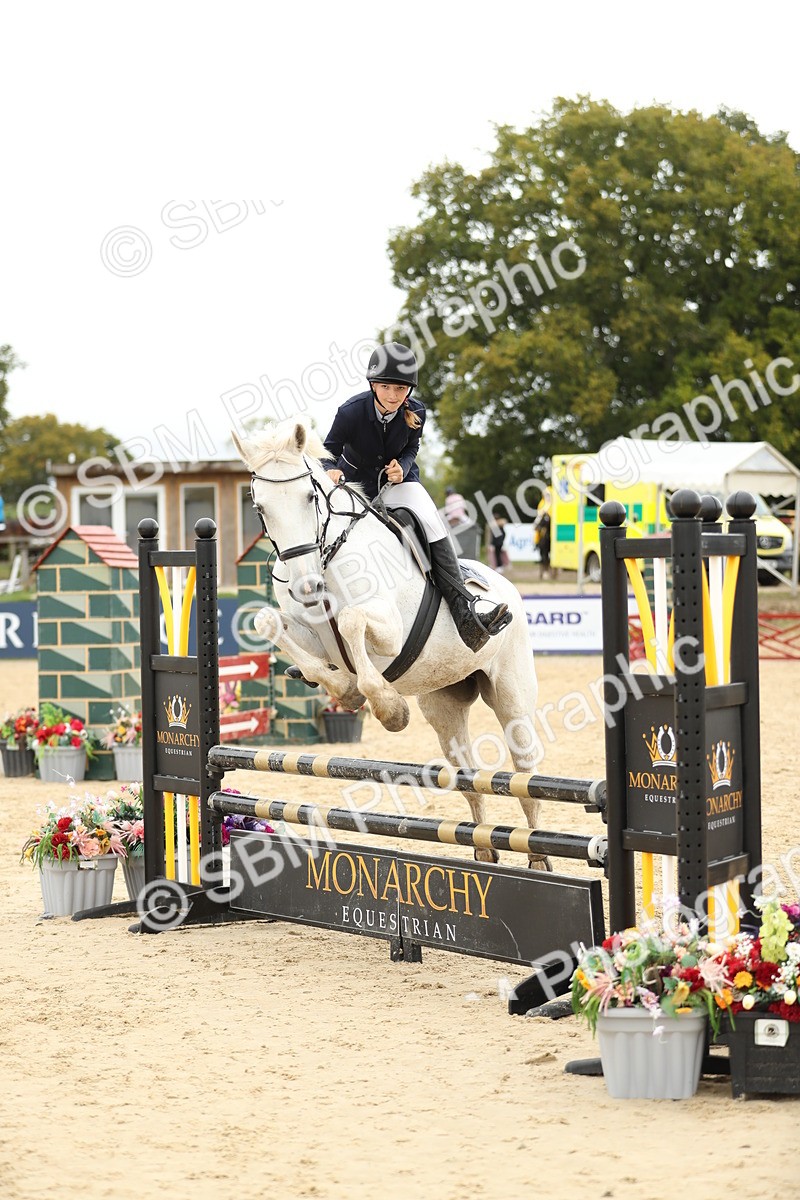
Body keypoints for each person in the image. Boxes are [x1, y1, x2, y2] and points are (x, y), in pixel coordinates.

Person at [321, 342, 512, 651]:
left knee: (429, 517)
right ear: (373, 385)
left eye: (400, 388)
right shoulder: (350, 411)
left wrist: (402, 467)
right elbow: (328, 449)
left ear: (408, 390)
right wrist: (330, 468)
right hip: (356, 487)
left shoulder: (417, 410)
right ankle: (318, 632)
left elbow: (412, 448)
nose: (393, 396)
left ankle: (465, 610)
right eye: (385, 387)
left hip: (399, 483)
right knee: (326, 529)